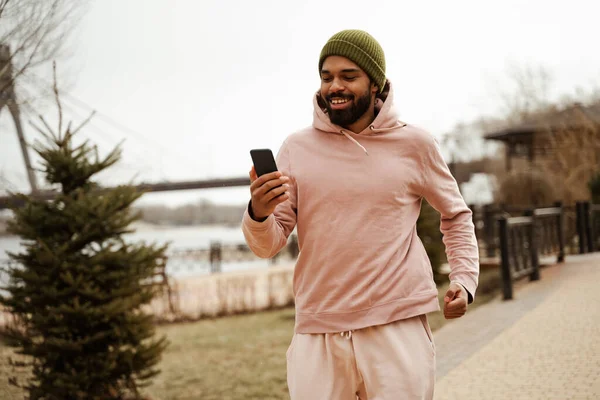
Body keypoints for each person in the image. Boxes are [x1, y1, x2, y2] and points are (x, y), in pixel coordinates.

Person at [242, 29, 479, 400]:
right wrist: (259, 213)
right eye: (326, 77)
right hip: (318, 327)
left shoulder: (415, 144)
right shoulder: (296, 148)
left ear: (376, 83)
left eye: (348, 76)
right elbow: (268, 244)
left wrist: (464, 280)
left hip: (396, 324)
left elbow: (456, 215)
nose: (334, 86)